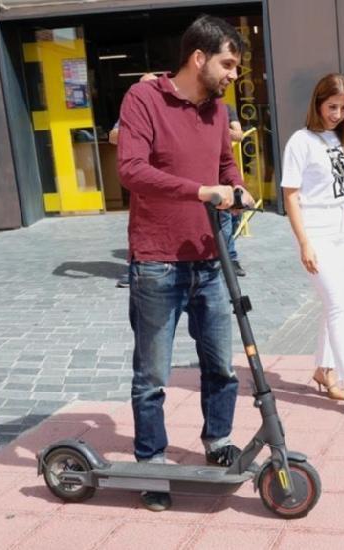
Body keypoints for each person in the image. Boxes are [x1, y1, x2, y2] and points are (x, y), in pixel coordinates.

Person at [117, 15, 254, 512]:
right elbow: (131, 170)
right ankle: (151, 463)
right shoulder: (144, 99)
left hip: (210, 258)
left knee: (221, 365)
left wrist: (235, 188)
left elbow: (223, 165)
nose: (233, 74)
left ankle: (218, 443)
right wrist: (200, 191)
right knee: (151, 376)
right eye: (227, 63)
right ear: (199, 57)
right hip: (157, 261)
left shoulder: (219, 111)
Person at [281, 73, 344, 414]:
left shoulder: (340, 140)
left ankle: (323, 370)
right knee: (337, 306)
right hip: (316, 231)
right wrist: (303, 241)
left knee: (335, 303)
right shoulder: (300, 142)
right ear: (317, 103)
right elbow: (290, 196)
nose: (337, 114)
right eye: (331, 106)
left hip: (343, 233)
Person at [110, 73, 159, 289]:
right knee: (140, 227)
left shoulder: (165, 109)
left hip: (164, 176)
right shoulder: (133, 109)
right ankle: (134, 272)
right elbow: (113, 135)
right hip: (142, 176)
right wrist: (137, 137)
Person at [218, 104, 247, 277]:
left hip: (228, 171)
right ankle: (230, 258)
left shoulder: (225, 109)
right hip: (210, 176)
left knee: (237, 216)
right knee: (225, 219)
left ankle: (225, 252)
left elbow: (239, 134)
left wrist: (219, 128)